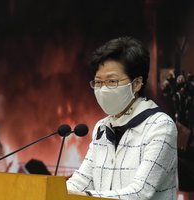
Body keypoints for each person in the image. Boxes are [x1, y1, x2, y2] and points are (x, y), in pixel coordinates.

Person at [66, 37, 177, 200]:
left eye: (112, 81)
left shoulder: (160, 126)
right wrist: (51, 192)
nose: (103, 89)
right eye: (98, 82)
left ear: (137, 83)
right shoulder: (102, 128)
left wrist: (84, 196)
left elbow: (140, 192)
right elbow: (82, 180)